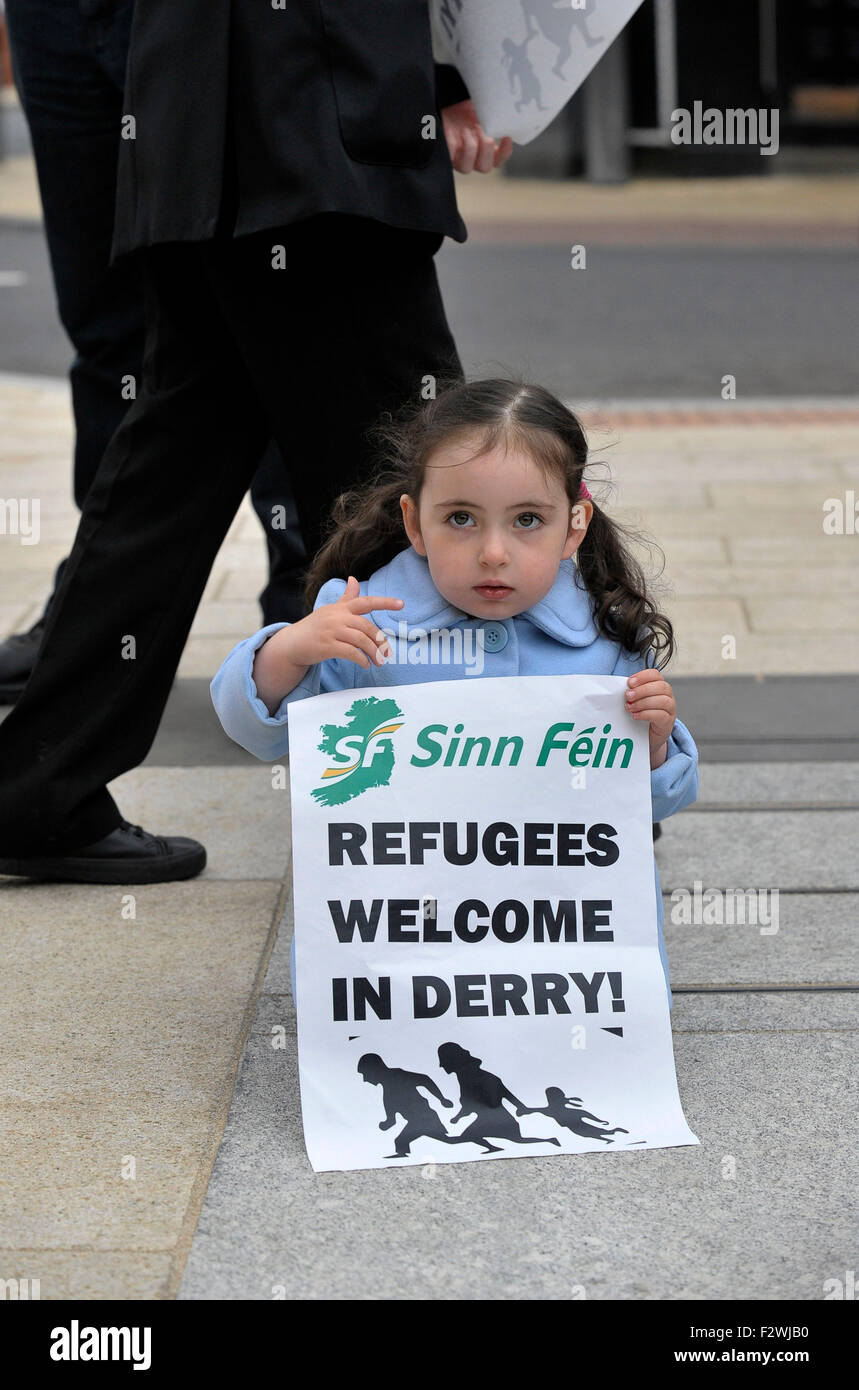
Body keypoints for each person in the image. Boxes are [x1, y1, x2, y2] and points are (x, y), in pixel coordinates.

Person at [0, 2, 513, 882]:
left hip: (198, 119)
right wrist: (458, 76)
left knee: (176, 459)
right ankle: (519, 785)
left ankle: (39, 788)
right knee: (419, 468)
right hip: (311, 115)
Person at [211, 378, 699, 1004]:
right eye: (461, 519)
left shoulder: (607, 638)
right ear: (415, 523)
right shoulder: (360, 623)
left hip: (554, 965)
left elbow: (648, 810)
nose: (493, 552)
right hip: (403, 968)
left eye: (528, 521)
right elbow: (251, 729)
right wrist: (290, 649)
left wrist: (655, 746)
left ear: (574, 529)